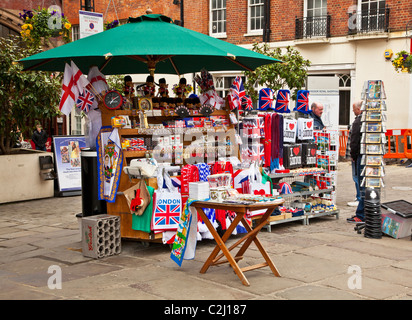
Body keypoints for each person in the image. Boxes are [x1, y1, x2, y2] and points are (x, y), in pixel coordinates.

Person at [347, 101, 365, 223]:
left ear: (359, 109)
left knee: (360, 182)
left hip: (359, 157)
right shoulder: (365, 120)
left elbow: (354, 140)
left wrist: (353, 155)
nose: (353, 111)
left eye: (354, 109)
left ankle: (361, 214)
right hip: (365, 156)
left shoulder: (358, 121)